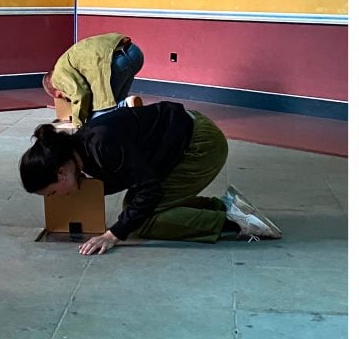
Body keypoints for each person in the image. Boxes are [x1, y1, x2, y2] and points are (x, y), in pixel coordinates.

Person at [19, 100, 281, 255]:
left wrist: (113, 235)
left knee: (143, 222)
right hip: (181, 139)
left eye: (53, 192)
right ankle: (226, 207)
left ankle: (238, 223)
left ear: (61, 172)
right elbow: (127, 177)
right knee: (135, 211)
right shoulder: (83, 148)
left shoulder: (101, 145)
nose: (58, 197)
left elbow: (149, 189)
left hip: (199, 146)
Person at [43, 32, 145, 127]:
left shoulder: (57, 76)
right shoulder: (67, 61)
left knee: (98, 114)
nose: (67, 98)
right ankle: (128, 111)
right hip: (134, 53)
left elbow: (81, 94)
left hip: (117, 60)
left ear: (56, 89)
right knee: (114, 104)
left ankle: (126, 104)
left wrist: (77, 123)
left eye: (62, 96)